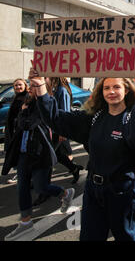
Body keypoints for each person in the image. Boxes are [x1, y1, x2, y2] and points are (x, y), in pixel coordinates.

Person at [30, 68, 135, 241]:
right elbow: (56, 119)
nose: (111, 92)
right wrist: (41, 87)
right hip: (93, 191)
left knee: (126, 236)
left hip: (122, 192)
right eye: (106, 88)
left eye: (116, 87)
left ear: (126, 90)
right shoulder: (94, 118)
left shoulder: (133, 117)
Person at [2, 84, 75, 241]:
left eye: (34, 86)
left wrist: (22, 112)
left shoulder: (47, 103)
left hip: (40, 153)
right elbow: (17, 123)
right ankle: (26, 223)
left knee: (42, 187)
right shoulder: (27, 102)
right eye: (30, 85)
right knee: (22, 188)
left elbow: (28, 124)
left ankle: (65, 193)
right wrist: (22, 113)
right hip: (23, 153)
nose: (30, 88)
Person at [33, 77, 84, 206]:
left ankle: (44, 189)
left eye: (46, 77)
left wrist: (63, 131)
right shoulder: (52, 89)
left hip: (57, 130)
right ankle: (74, 168)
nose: (45, 79)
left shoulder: (61, 90)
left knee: (48, 158)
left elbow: (64, 112)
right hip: (50, 129)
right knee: (57, 155)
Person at [4, 79, 29, 184]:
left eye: (20, 85)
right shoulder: (17, 97)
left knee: (19, 154)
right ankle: (22, 174)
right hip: (15, 130)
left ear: (25, 85)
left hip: (21, 131)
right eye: (15, 85)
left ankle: (22, 175)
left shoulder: (27, 97)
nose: (18, 87)